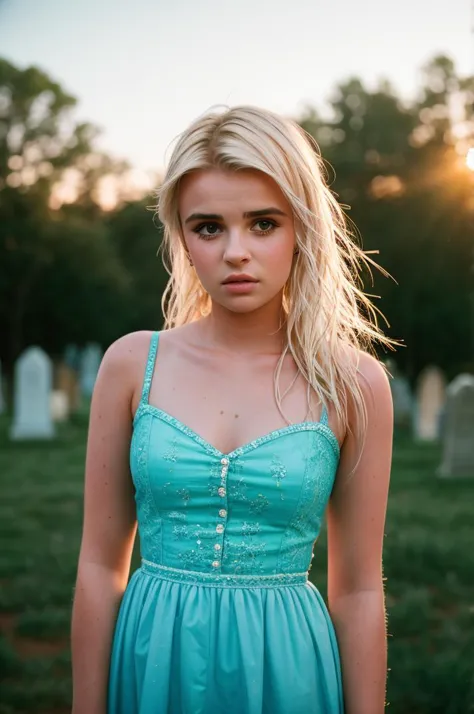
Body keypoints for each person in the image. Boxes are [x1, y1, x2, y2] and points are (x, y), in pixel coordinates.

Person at [71, 105, 394, 714]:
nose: (235, 251)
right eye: (209, 227)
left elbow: (356, 591)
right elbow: (97, 564)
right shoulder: (131, 364)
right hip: (152, 658)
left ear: (302, 228)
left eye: (263, 224)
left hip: (288, 668)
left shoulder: (353, 383)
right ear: (183, 239)